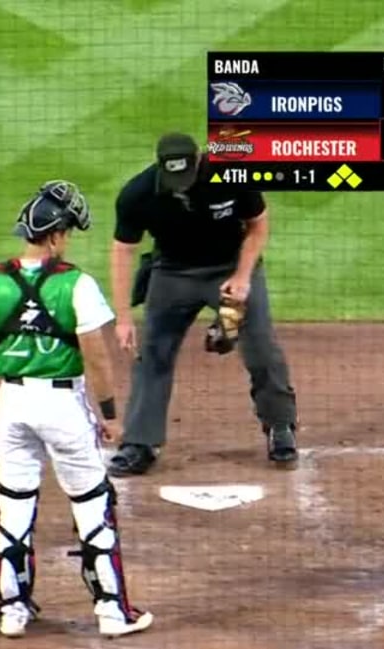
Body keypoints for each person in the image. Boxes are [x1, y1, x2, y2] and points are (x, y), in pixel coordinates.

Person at [0, 180, 153, 638]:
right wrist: (109, 413)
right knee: (92, 501)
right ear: (57, 235)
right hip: (62, 405)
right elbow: (96, 355)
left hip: (13, 406)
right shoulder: (75, 283)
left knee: (14, 504)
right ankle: (112, 611)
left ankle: (13, 611)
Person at [106, 131, 299, 476]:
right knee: (153, 353)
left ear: (200, 161)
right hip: (172, 274)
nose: (180, 185)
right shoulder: (138, 194)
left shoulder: (231, 174)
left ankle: (280, 426)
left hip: (229, 267)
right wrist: (122, 317)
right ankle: (139, 442)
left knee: (261, 347)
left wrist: (242, 277)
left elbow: (258, 224)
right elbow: (123, 250)